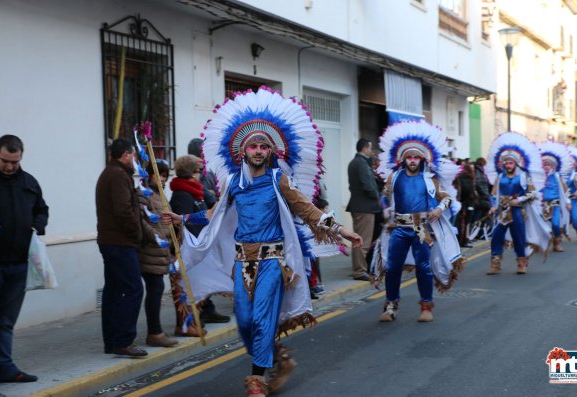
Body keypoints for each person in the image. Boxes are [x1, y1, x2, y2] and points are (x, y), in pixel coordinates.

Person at [167, 87, 362, 397]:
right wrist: (183, 220)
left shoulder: (278, 180)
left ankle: (256, 379)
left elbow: (307, 209)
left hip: (273, 262)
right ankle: (278, 356)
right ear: (242, 152)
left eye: (263, 146)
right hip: (242, 263)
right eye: (253, 146)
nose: (257, 150)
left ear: (271, 152)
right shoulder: (234, 183)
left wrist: (340, 230)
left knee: (261, 318)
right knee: (244, 321)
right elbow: (215, 216)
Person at [372, 120, 464, 323]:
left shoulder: (430, 179)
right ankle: (390, 305)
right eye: (409, 157)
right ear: (403, 160)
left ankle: (426, 306)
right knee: (393, 267)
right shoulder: (394, 177)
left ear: (422, 159)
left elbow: (447, 198)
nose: (412, 160)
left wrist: (439, 209)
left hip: (422, 229)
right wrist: (386, 207)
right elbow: (385, 197)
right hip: (399, 229)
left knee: (424, 267)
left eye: (416, 157)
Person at [0, 134, 48, 382]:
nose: (9, 166)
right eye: (5, 160)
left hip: (18, 264)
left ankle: (5, 369)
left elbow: (42, 210)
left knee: (6, 321)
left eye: (14, 162)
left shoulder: (29, 182)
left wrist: (36, 227)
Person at [96, 138, 147, 357]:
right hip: (120, 241)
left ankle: (112, 341)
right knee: (134, 289)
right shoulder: (117, 175)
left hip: (112, 240)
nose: (135, 160)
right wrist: (137, 232)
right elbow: (123, 210)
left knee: (114, 291)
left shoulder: (111, 173)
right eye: (134, 156)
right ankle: (123, 340)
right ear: (126, 155)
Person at [169, 155, 230, 332]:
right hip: (189, 248)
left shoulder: (196, 190)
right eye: (197, 171)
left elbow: (208, 211)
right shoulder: (182, 194)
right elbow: (185, 223)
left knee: (198, 284)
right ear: (190, 173)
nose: (199, 175)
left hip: (201, 246)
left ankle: (197, 318)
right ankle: (186, 324)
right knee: (186, 288)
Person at [485, 132, 551, 275]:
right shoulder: (500, 177)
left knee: (519, 237)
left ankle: (521, 263)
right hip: (502, 212)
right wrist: (493, 206)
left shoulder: (523, 176)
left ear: (516, 163)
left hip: (517, 211)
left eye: (510, 162)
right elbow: (493, 194)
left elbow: (533, 193)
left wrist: (519, 200)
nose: (508, 165)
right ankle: (495, 264)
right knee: (496, 236)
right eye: (506, 163)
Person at [137, 159, 178, 347]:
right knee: (155, 289)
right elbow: (141, 219)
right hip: (150, 250)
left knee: (158, 289)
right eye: (158, 174)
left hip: (162, 250)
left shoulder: (161, 196)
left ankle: (156, 331)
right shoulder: (143, 194)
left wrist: (175, 236)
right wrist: (155, 237)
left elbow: (167, 221)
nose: (162, 179)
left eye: (164, 175)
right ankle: (154, 332)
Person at [346, 138, 381, 281]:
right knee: (363, 241)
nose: (371, 151)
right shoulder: (361, 164)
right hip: (365, 206)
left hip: (359, 205)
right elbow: (367, 185)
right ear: (365, 148)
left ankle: (359, 269)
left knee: (358, 239)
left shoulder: (354, 163)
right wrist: (377, 196)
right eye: (370, 148)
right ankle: (360, 270)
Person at [538, 142, 571, 252]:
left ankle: (557, 242)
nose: (546, 166)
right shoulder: (539, 177)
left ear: (553, 166)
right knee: (542, 226)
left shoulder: (557, 177)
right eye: (544, 164)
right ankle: (543, 243)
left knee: (556, 224)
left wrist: (568, 202)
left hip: (555, 204)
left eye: (548, 164)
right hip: (542, 205)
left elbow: (565, 191)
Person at [472, 157, 493, 239]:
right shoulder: (479, 172)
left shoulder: (479, 172)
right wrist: (486, 195)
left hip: (482, 198)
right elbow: (480, 186)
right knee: (480, 216)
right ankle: (477, 233)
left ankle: (479, 233)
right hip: (482, 198)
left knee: (481, 216)